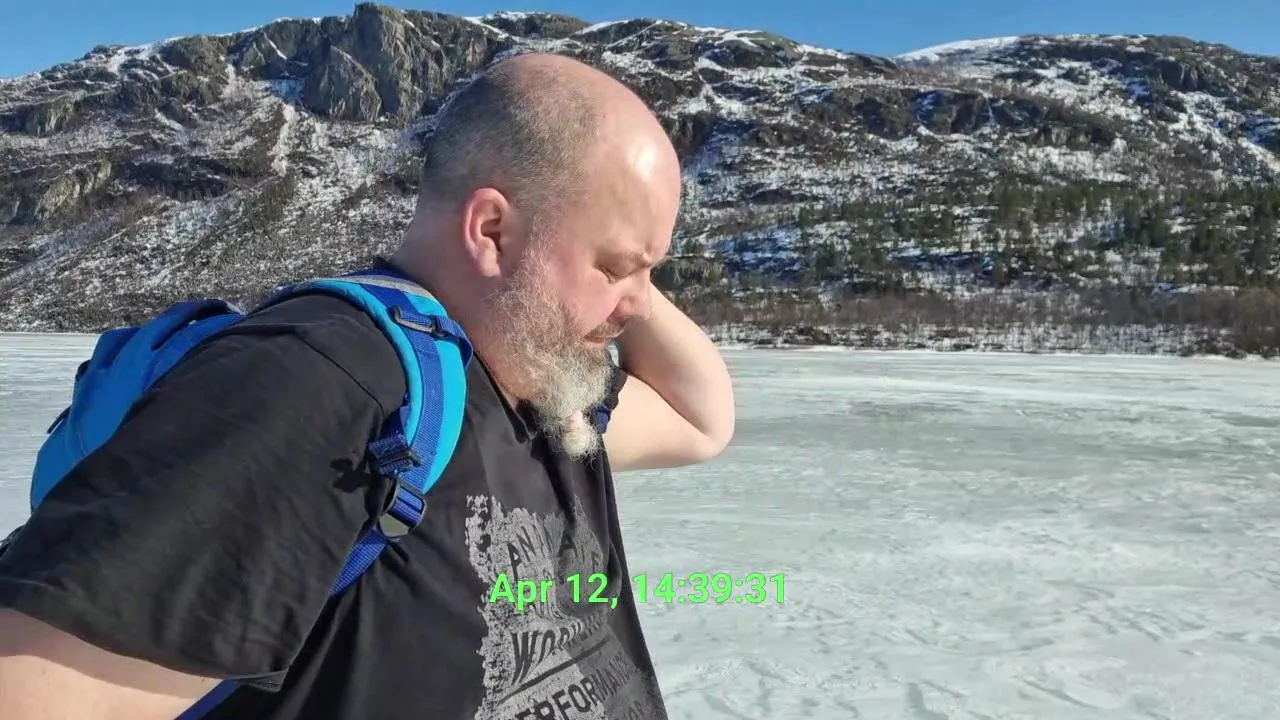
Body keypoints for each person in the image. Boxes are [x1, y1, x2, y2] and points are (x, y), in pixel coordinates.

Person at [0, 52, 735, 720]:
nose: (640, 305)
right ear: (491, 230)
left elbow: (700, 419)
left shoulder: (547, 385)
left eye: (651, 272)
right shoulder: (318, 383)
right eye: (615, 266)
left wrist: (626, 246)